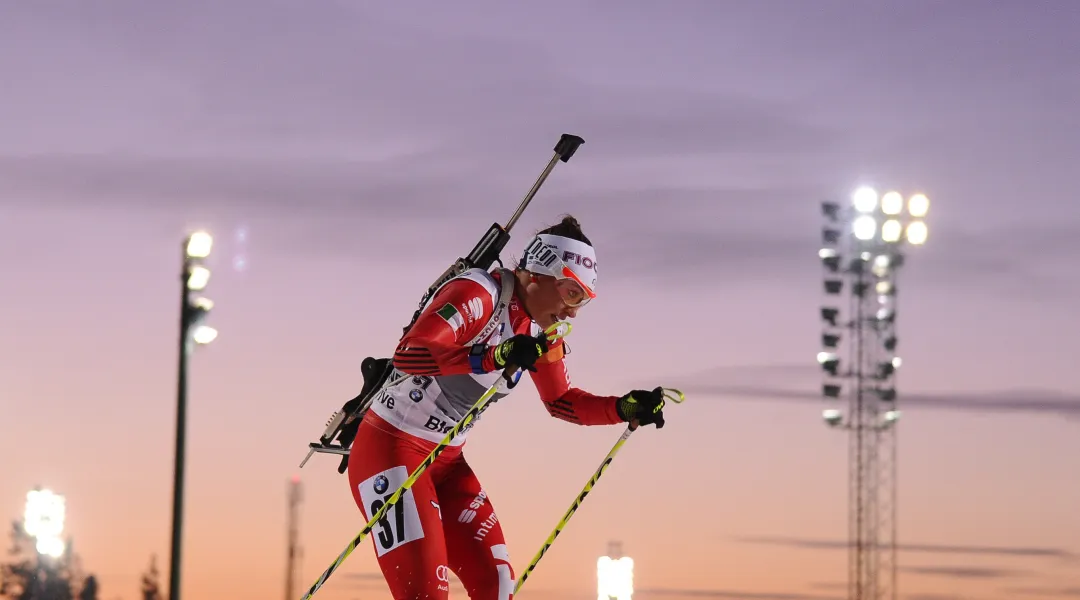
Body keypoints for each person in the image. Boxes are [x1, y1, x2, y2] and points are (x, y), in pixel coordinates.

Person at [346, 214, 669, 600]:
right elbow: (411, 352)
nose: (573, 311)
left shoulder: (541, 331)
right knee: (426, 595)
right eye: (570, 293)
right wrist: (490, 356)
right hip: (391, 451)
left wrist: (623, 407)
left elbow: (561, 402)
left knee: (497, 586)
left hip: (447, 462)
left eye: (583, 299)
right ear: (537, 274)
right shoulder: (479, 294)